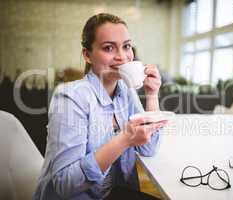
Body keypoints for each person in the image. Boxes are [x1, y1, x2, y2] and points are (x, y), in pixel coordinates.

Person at [34, 13, 167, 200]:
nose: (122, 57)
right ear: (87, 55)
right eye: (109, 48)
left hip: (112, 193)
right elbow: (64, 184)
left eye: (127, 46)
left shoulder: (125, 90)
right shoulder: (70, 97)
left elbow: (149, 148)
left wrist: (152, 94)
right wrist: (124, 139)